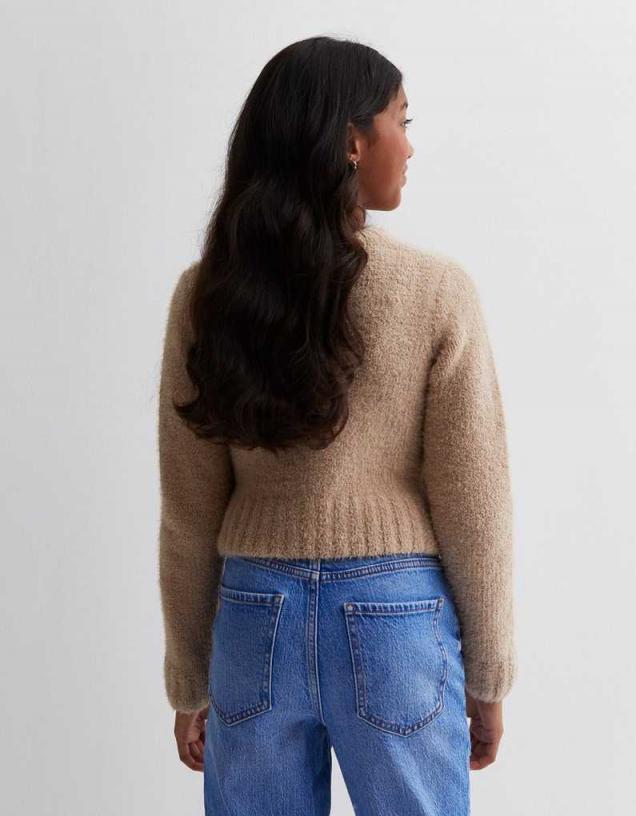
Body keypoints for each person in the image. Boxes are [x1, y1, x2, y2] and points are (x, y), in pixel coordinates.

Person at [157, 35, 517, 815]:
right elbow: (474, 500)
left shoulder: (208, 295)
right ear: (352, 141)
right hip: (396, 620)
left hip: (253, 618)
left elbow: (189, 508)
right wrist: (489, 673)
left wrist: (189, 676)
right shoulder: (436, 291)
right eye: (401, 122)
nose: (410, 147)